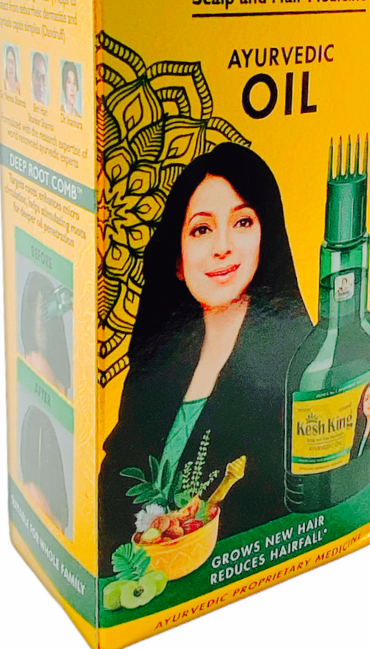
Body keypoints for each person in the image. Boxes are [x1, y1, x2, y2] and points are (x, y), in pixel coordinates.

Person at [98, 143, 311, 573]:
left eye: (243, 222)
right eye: (201, 230)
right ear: (177, 261)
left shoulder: (299, 365)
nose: (222, 247)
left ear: (267, 237)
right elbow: (115, 483)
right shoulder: (155, 364)